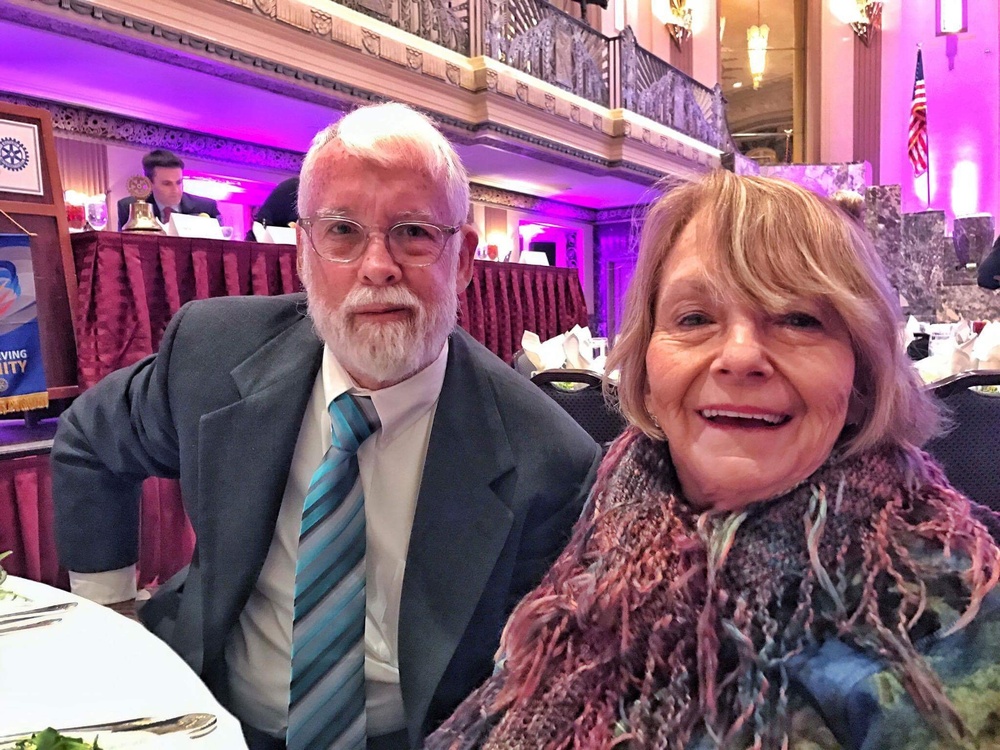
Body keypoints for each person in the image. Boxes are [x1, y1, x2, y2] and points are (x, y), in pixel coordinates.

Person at [53, 102, 602, 750]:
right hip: (205, 713)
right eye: (343, 231)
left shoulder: (550, 461)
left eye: (414, 233)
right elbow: (89, 442)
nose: (377, 267)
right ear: (305, 254)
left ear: (464, 261)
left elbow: (530, 693)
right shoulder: (212, 351)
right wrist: (112, 616)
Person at [428, 171, 1000, 749]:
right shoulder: (601, 510)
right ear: (647, 371)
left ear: (861, 377)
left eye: (799, 319)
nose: (740, 356)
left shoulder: (943, 611)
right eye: (695, 319)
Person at [116, 148, 221, 229]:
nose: (176, 190)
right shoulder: (129, 207)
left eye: (179, 182)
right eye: (167, 184)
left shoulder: (206, 207)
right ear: (149, 183)